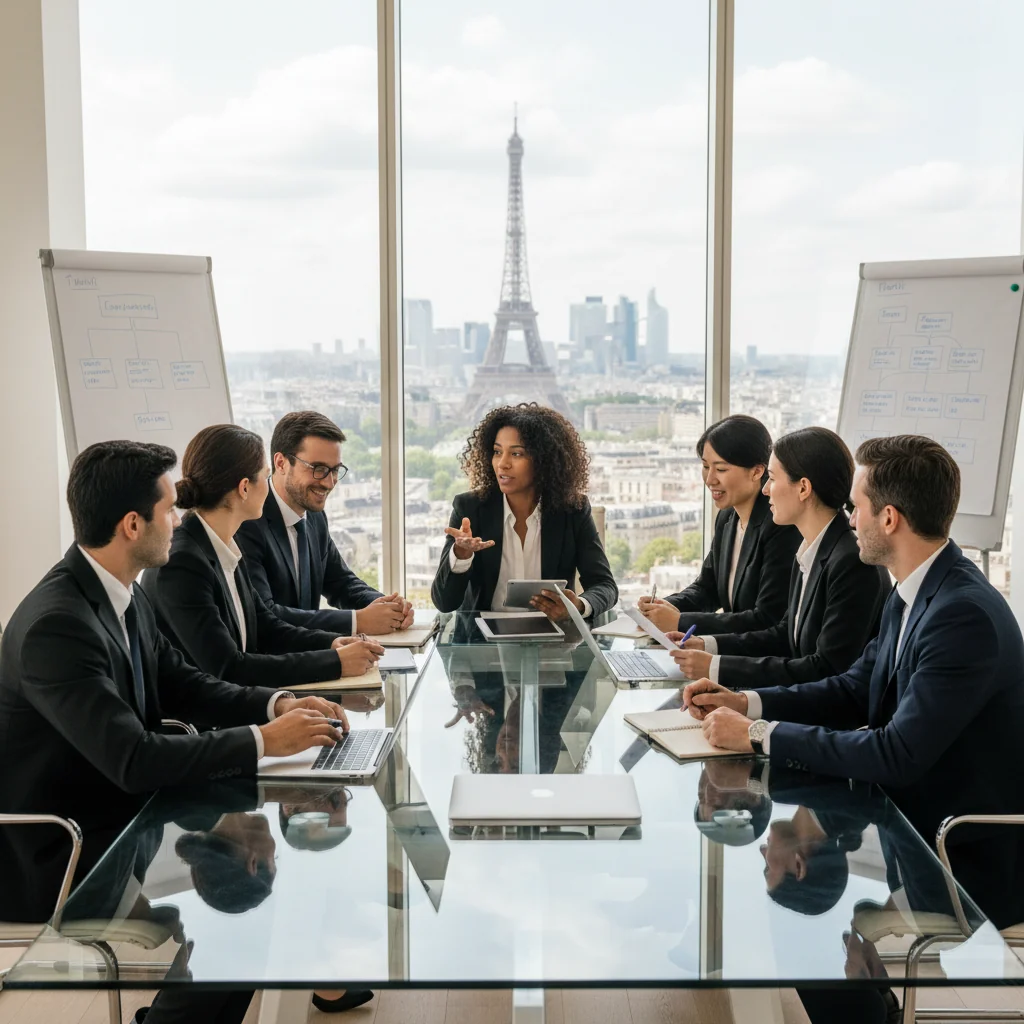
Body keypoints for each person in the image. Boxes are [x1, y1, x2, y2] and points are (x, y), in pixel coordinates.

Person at [0, 440, 353, 1024]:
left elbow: (188, 683)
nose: (179, 518)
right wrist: (267, 742)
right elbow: (133, 759)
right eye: (169, 509)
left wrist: (278, 704)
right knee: (240, 912)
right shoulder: (57, 626)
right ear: (132, 524)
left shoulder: (120, 592)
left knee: (248, 894)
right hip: (61, 851)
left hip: (124, 817)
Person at [683, 435, 1024, 934]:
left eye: (855, 507)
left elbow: (895, 754)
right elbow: (852, 688)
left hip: (961, 862)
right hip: (907, 832)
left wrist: (758, 735)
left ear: (888, 519)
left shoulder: (961, 616)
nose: (849, 520)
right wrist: (748, 703)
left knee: (798, 940)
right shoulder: (915, 588)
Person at [142, 424, 383, 689]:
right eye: (265, 476)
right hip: (202, 722)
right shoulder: (183, 563)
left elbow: (266, 625)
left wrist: (331, 644)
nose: (269, 488)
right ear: (244, 488)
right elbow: (229, 667)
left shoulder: (223, 544)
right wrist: (335, 662)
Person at [671, 427, 889, 688]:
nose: (765, 491)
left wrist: (718, 669)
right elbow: (783, 636)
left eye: (772, 479)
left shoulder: (851, 562)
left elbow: (826, 669)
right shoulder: (811, 547)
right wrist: (707, 645)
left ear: (804, 488)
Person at [431, 403, 617, 619]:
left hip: (553, 640)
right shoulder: (470, 508)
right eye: (497, 452)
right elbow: (444, 603)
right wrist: (461, 556)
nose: (502, 464)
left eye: (517, 454)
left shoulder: (572, 510)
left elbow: (605, 585)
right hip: (482, 643)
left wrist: (579, 606)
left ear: (544, 460)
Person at [236, 410, 413, 637]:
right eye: (319, 469)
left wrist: (387, 606)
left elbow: (340, 582)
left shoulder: (315, 516)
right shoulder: (248, 522)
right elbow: (266, 615)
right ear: (281, 463)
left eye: (335, 470)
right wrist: (356, 621)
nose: (329, 482)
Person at [638, 415, 801, 635]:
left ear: (757, 471)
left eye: (721, 469)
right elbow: (707, 589)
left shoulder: (780, 525)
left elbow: (767, 617)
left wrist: (679, 622)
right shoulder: (726, 518)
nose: (710, 479)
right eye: (705, 466)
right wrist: (661, 608)